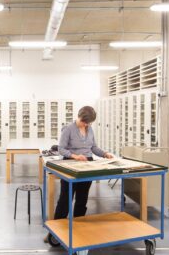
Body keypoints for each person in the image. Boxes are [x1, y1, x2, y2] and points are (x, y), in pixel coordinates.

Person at [45, 106, 114, 247]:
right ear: (80, 117)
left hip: (87, 165)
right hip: (71, 164)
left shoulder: (89, 129)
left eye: (89, 123)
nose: (86, 125)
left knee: (82, 199)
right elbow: (61, 149)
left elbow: (93, 147)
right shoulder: (68, 129)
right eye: (85, 122)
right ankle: (55, 231)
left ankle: (78, 227)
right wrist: (75, 156)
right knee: (66, 198)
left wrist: (104, 153)